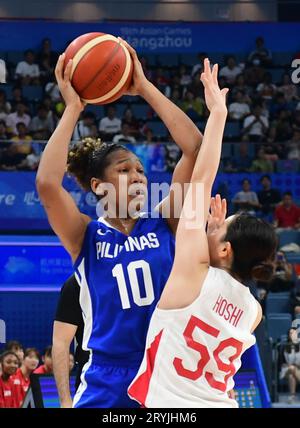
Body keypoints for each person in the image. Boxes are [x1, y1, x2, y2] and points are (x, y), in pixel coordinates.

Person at [36, 39, 203, 408]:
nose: (138, 177)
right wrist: (72, 110)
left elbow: (194, 147)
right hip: (106, 379)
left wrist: (143, 87)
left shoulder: (165, 220)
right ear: (98, 185)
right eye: (125, 170)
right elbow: (48, 184)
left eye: (141, 171)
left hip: (165, 371)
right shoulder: (86, 236)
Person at [128, 59, 277, 408]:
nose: (213, 222)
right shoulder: (253, 310)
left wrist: (218, 112)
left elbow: (202, 175)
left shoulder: (193, 270)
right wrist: (214, 235)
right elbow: (225, 284)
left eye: (221, 226)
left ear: (226, 250)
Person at [53, 275, 90, 408]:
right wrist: (65, 400)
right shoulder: (76, 283)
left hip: (140, 372)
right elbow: (60, 343)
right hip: (92, 376)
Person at [280, 328, 300, 404]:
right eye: (290, 333)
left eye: (294, 333)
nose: (292, 335)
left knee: (291, 376)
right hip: (286, 370)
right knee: (291, 368)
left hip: (298, 370)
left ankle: (292, 396)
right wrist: (288, 365)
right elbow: (281, 362)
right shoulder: (284, 346)